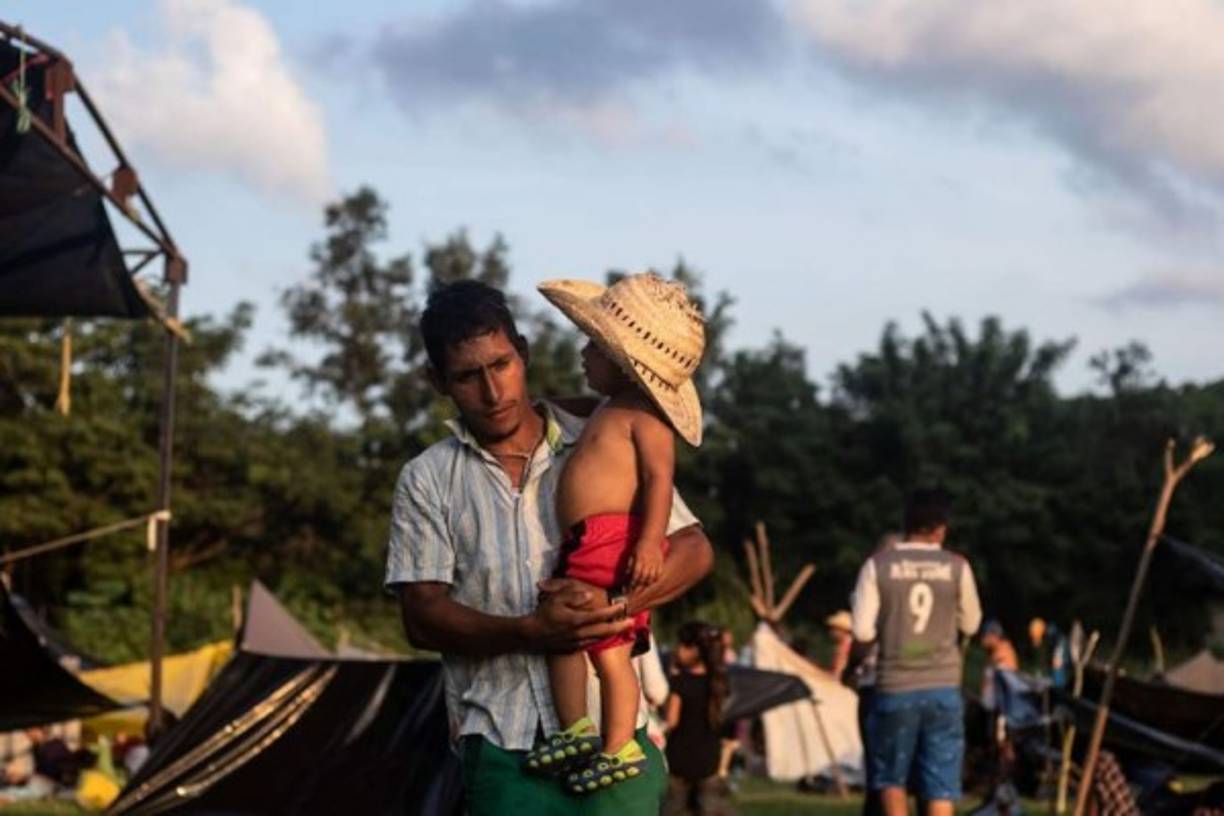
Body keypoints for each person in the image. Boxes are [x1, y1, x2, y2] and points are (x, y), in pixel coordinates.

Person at [386, 279, 714, 816]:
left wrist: (613, 611)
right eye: (468, 376)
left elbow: (695, 550)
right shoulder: (428, 479)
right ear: (437, 380)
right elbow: (422, 618)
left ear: (525, 353)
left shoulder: (598, 433)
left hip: (618, 743)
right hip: (501, 751)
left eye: (502, 364)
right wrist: (528, 632)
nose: (493, 392)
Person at [525, 272, 706, 795]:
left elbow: (658, 480)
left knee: (608, 648)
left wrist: (650, 540)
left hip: (610, 542)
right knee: (568, 636)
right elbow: (564, 406)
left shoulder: (646, 419)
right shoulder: (611, 407)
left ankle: (618, 742)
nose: (583, 352)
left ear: (625, 363)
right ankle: (578, 727)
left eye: (594, 346)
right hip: (585, 543)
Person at [851, 489, 982, 816]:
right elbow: (972, 624)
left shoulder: (877, 565)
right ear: (941, 528)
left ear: (906, 524)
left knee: (892, 782)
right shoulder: (957, 566)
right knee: (940, 785)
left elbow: (862, 631)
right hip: (944, 687)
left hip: (895, 686)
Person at [662, 622, 736, 816]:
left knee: (673, 809)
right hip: (709, 759)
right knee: (711, 809)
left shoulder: (680, 682)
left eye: (681, 645)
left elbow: (671, 721)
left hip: (679, 758)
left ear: (694, 649)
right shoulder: (720, 683)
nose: (677, 649)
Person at [826, 610, 854, 682]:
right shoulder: (845, 641)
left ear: (842, 630)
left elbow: (841, 661)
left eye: (835, 629)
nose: (832, 631)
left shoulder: (846, 642)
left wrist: (836, 674)